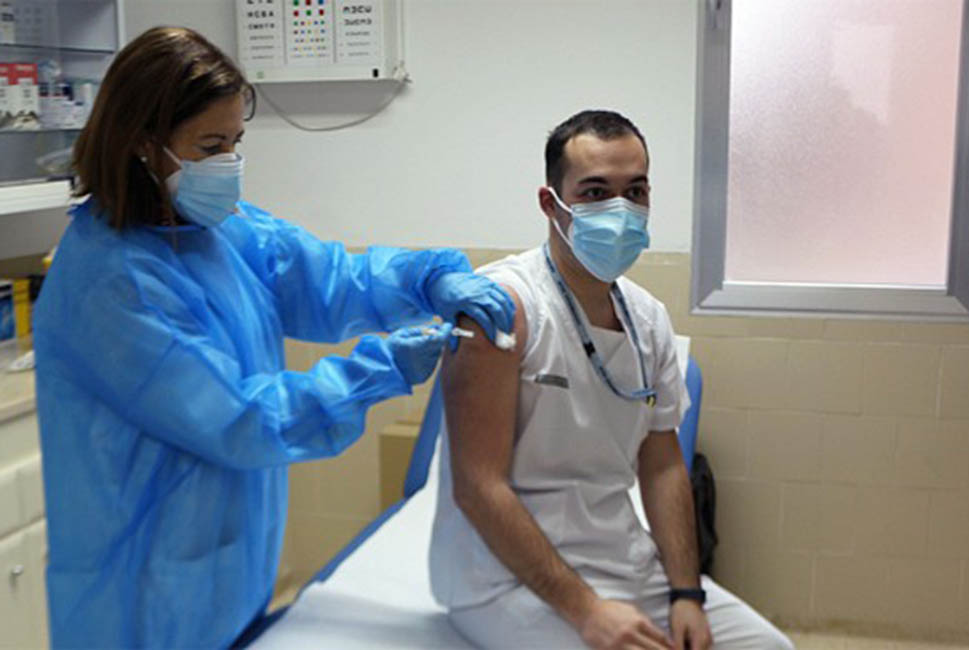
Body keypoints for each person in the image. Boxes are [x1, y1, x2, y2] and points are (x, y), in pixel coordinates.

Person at [31, 27, 514, 649]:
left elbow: (333, 282)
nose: (230, 163)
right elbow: (243, 420)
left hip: (224, 580)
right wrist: (380, 370)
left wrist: (427, 279)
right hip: (136, 599)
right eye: (211, 145)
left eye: (236, 141)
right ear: (142, 144)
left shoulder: (218, 230)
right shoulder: (111, 281)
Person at [428, 110, 793, 650]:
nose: (620, 211)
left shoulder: (648, 319)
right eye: (596, 193)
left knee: (769, 647)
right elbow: (479, 488)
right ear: (551, 203)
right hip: (501, 580)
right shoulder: (501, 308)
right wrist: (587, 611)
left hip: (621, 563)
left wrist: (686, 594)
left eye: (635, 191)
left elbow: (663, 463)